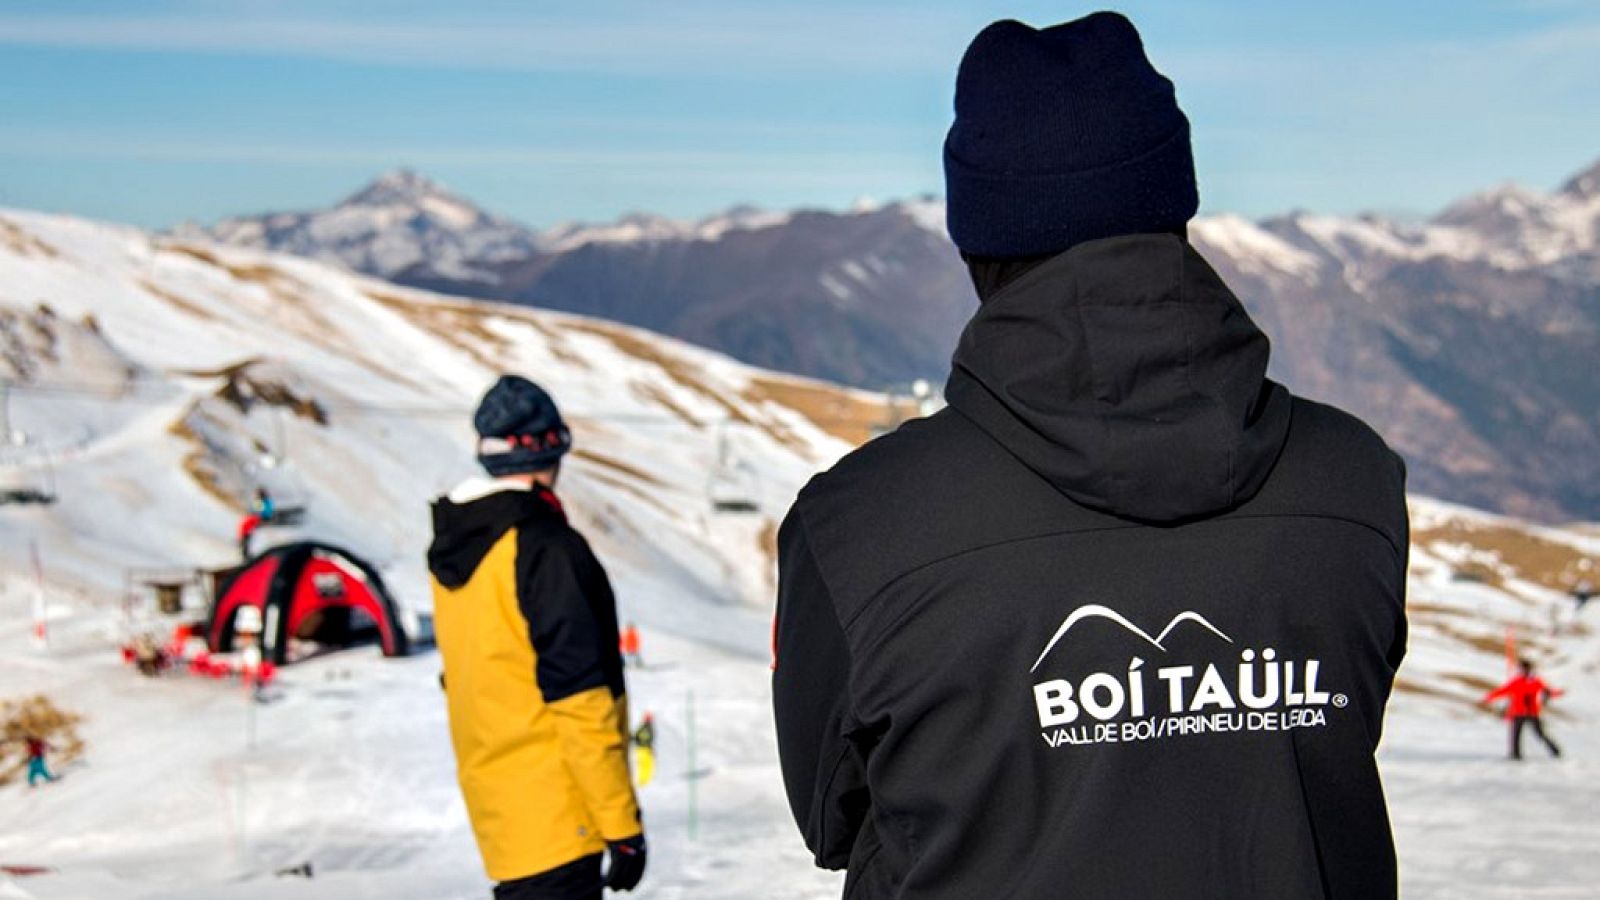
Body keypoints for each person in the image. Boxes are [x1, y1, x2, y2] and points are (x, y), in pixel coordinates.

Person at [773, 13, 1409, 900]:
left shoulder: (855, 524)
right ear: (1176, 204)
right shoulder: (1355, 478)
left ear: (975, 238)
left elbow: (830, 815)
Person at [428, 375, 645, 900]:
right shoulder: (546, 549)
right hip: (561, 814)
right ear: (550, 448)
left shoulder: (458, 545)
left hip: (501, 814)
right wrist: (620, 825)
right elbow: (579, 699)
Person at [1483, 659, 1563, 760]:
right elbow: (1503, 691)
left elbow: (1548, 691)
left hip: (1530, 713)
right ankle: (1516, 754)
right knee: (1517, 735)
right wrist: (1489, 697)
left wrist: (1557, 693)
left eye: (1523, 669)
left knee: (1536, 734)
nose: (1522, 671)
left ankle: (1555, 750)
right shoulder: (1524, 681)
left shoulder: (1532, 682)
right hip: (1521, 713)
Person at [631, 713, 656, 788]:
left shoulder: (643, 728)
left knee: (644, 766)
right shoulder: (647, 728)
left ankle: (642, 781)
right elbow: (645, 738)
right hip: (644, 750)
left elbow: (635, 737)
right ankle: (643, 782)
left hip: (641, 749)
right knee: (646, 766)